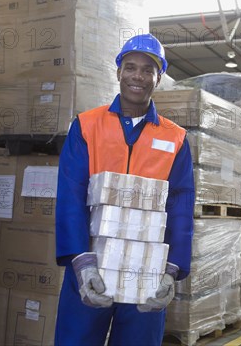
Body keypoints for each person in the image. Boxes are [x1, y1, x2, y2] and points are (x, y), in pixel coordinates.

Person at [54, 33, 195, 346]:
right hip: (90, 263)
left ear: (159, 78)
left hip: (147, 272)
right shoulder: (87, 125)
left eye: (148, 70)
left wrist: (172, 270)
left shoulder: (175, 139)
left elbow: (181, 207)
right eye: (131, 67)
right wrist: (81, 262)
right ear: (118, 71)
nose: (138, 76)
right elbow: (70, 195)